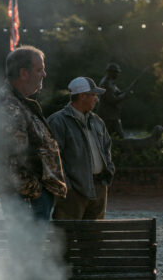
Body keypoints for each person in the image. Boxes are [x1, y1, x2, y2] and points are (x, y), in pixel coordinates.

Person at [0, 45, 67, 279]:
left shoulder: (18, 101)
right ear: (23, 73)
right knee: (26, 263)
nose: (44, 74)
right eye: (39, 69)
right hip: (27, 202)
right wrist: (36, 194)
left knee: (29, 261)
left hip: (30, 200)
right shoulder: (8, 106)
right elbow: (14, 161)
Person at [48, 77, 115, 220]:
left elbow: (107, 148)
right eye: (93, 95)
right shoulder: (58, 121)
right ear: (82, 95)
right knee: (68, 238)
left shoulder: (97, 121)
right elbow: (53, 157)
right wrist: (68, 187)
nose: (96, 99)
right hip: (73, 193)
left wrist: (108, 172)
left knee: (94, 238)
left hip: (99, 187)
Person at [97, 63, 133, 138]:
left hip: (113, 115)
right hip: (107, 116)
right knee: (108, 137)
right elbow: (112, 100)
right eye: (116, 72)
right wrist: (125, 96)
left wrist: (126, 90)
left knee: (118, 136)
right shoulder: (106, 83)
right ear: (111, 72)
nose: (118, 74)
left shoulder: (111, 82)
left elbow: (117, 93)